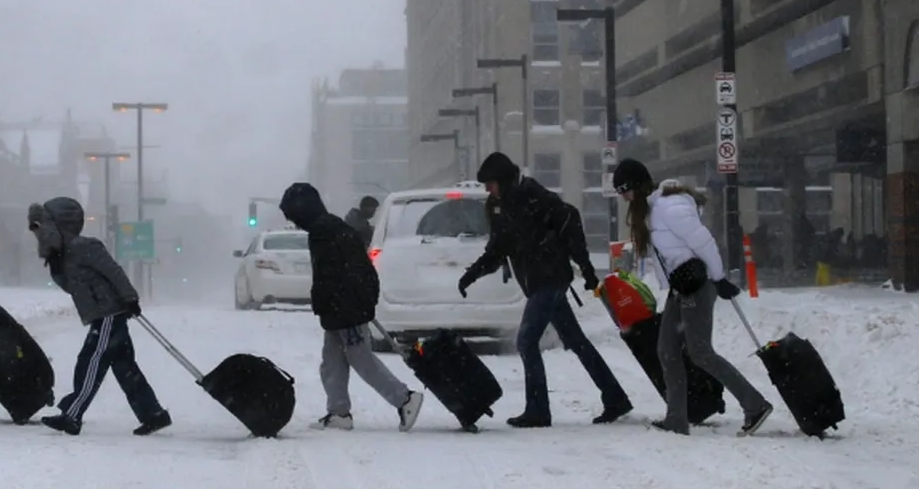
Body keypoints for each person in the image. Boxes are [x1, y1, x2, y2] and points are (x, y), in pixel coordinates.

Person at [457, 152, 632, 428]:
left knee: (526, 341)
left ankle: (538, 410)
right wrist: (472, 274)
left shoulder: (533, 196)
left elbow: (570, 221)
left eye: (490, 183)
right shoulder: (497, 207)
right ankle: (615, 396)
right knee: (576, 341)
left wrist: (585, 267)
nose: (488, 189)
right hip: (536, 281)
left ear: (504, 180)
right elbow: (497, 249)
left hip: (551, 277)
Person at [611, 159, 774, 437]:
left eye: (625, 190)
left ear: (637, 185)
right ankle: (676, 418)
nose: (624, 197)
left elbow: (703, 241)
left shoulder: (668, 208)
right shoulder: (651, 210)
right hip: (681, 286)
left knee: (700, 351)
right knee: (666, 349)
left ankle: (754, 404)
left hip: (698, 284)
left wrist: (719, 277)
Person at [280, 182, 424, 432]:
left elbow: (331, 274)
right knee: (331, 362)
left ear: (302, 211)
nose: (294, 223)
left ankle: (405, 399)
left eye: (293, 216)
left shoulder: (324, 231)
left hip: (346, 307)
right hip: (341, 306)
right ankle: (339, 413)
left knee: (361, 360)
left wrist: (333, 303)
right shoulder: (328, 226)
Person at [30, 197, 171, 436]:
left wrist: (130, 298)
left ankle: (72, 415)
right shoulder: (62, 255)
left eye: (41, 225)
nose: (38, 233)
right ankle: (153, 414)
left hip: (109, 313)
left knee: (90, 361)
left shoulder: (86, 246)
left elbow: (113, 271)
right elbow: (72, 286)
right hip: (102, 315)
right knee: (124, 367)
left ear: (59, 224)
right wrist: (55, 262)